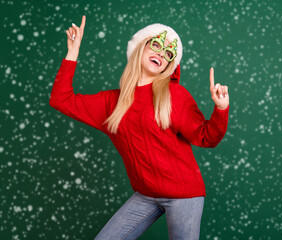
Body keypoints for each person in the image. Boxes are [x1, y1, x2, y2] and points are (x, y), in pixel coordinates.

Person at [49, 15, 230, 240]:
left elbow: (207, 137)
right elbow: (61, 100)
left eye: (168, 54)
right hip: (146, 195)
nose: (161, 54)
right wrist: (73, 52)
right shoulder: (111, 103)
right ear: (139, 47)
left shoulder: (175, 96)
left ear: (169, 65)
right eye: (156, 45)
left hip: (184, 195)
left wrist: (221, 109)